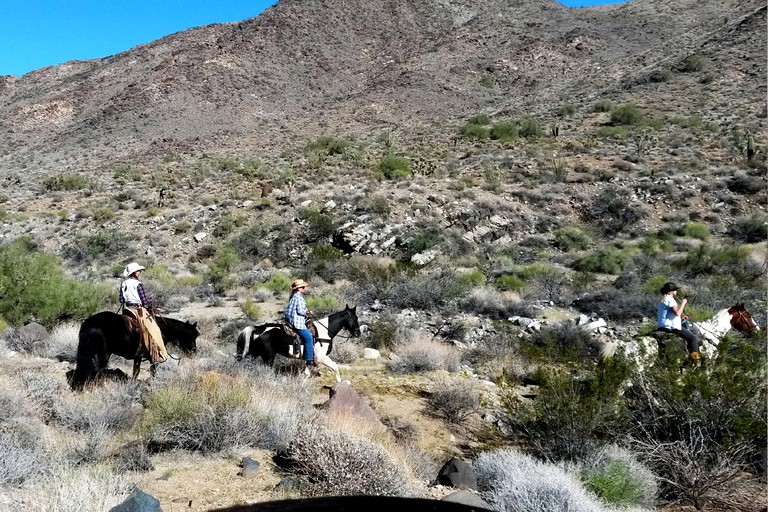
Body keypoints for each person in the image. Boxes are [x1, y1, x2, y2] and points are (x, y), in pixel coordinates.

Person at [119, 262, 168, 364]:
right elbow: (144, 301)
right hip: (138, 310)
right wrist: (151, 302)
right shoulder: (138, 284)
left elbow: (121, 300)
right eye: (138, 271)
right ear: (133, 273)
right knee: (154, 329)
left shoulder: (123, 283)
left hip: (127, 310)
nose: (140, 272)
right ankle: (158, 354)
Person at [656, 281, 702, 367]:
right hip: (672, 327)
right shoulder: (670, 299)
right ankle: (697, 361)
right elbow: (677, 313)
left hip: (662, 325)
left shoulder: (663, 299)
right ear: (673, 291)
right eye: (675, 290)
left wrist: (682, 316)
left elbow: (671, 313)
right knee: (694, 338)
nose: (676, 292)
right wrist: (683, 303)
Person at [285, 278, 315, 368]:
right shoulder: (299, 298)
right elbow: (300, 311)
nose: (304, 288)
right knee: (309, 338)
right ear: (298, 288)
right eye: (302, 287)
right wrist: (308, 312)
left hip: (289, 321)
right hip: (297, 323)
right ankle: (309, 360)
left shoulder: (293, 297)